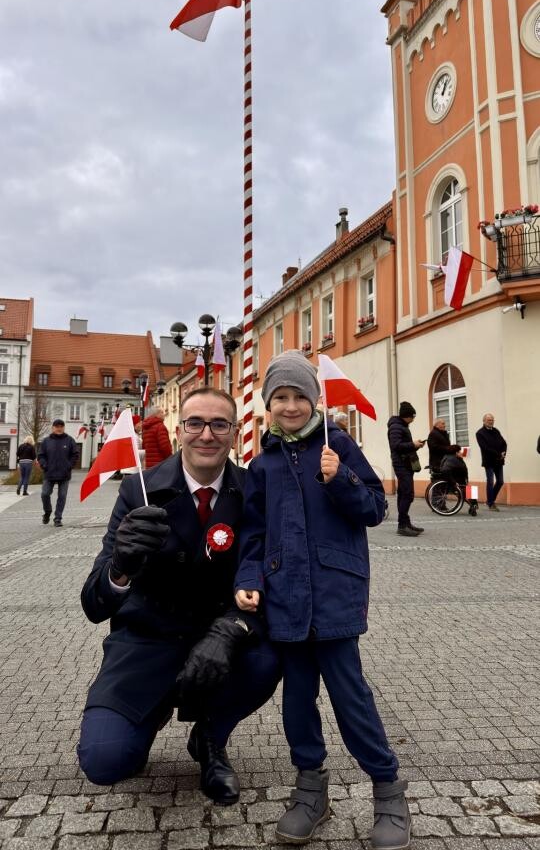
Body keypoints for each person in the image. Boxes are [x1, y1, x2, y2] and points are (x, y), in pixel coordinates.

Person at [235, 351, 411, 850]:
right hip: (284, 594)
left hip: (335, 593)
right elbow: (253, 531)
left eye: (299, 396)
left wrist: (342, 480)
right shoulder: (262, 462)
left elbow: (374, 509)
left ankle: (387, 789)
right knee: (296, 701)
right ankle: (311, 789)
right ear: (268, 404)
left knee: (350, 697)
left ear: (315, 399)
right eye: (280, 397)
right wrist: (249, 577)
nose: (290, 406)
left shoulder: (339, 446)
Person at [78, 387, 280, 805]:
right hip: (146, 643)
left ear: (235, 431)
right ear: (179, 429)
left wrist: (231, 629)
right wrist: (121, 567)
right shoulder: (139, 491)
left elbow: (269, 583)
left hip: (218, 641)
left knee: (270, 657)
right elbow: (95, 604)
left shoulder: (252, 492)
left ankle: (209, 735)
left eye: (219, 424)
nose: (207, 434)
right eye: (195, 423)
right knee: (105, 762)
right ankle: (151, 711)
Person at [387, 401, 425, 536]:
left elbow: (403, 444)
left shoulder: (402, 426)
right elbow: (396, 445)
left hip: (406, 463)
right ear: (406, 416)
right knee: (407, 493)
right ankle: (402, 525)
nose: (413, 419)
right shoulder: (396, 427)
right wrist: (412, 444)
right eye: (412, 416)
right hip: (401, 464)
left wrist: (415, 445)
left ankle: (405, 522)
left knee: (404, 493)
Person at [38, 419, 79, 526]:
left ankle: (58, 518)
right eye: (57, 426)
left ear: (64, 427)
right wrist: (44, 465)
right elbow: (41, 455)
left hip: (64, 474)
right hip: (49, 473)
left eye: (61, 426)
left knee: (62, 496)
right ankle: (47, 512)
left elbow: (75, 454)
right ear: (53, 428)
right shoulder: (46, 441)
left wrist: (69, 466)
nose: (59, 428)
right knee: (45, 494)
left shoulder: (70, 440)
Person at [475, 413, 507, 510]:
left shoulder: (496, 431)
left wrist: (504, 453)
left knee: (500, 481)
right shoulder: (480, 433)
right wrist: (498, 454)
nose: (491, 422)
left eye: (492, 420)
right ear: (484, 421)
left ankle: (490, 500)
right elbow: (485, 447)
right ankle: (491, 503)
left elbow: (503, 443)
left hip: (499, 461)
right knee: (490, 481)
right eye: (489, 420)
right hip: (489, 461)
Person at [439, 444, 478, 516]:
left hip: (459, 481)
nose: (461, 453)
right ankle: (473, 506)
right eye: (460, 451)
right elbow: (445, 470)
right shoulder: (452, 459)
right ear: (456, 452)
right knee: (470, 490)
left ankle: (473, 506)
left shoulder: (453, 458)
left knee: (471, 489)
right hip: (455, 483)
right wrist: (454, 482)